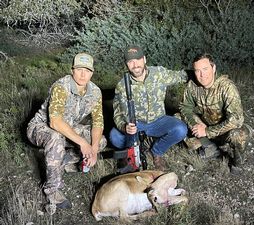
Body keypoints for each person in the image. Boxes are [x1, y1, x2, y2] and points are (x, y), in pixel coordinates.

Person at [27, 53, 107, 214]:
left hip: (67, 128)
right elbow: (54, 122)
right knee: (56, 139)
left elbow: (98, 123)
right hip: (40, 127)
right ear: (72, 70)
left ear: (92, 72)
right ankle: (52, 191)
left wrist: (93, 148)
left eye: (87, 70)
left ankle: (60, 162)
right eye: (79, 69)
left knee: (100, 141)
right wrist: (83, 144)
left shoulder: (95, 92)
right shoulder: (61, 86)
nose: (83, 74)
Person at [110, 45, 188, 171]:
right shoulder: (122, 85)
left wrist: (201, 74)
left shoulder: (159, 74)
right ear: (126, 64)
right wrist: (124, 126)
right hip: (136, 124)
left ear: (144, 59)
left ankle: (157, 151)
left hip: (159, 121)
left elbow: (181, 76)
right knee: (115, 136)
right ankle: (130, 154)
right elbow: (118, 113)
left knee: (180, 129)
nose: (135, 65)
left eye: (138, 59)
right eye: (130, 61)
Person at [179, 53, 251, 174]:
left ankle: (237, 163)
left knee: (237, 134)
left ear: (213, 68)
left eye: (205, 69)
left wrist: (207, 131)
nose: (202, 75)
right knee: (177, 118)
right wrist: (196, 127)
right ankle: (210, 148)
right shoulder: (192, 86)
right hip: (205, 127)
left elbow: (236, 120)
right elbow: (185, 108)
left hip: (224, 131)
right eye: (197, 71)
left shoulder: (226, 87)